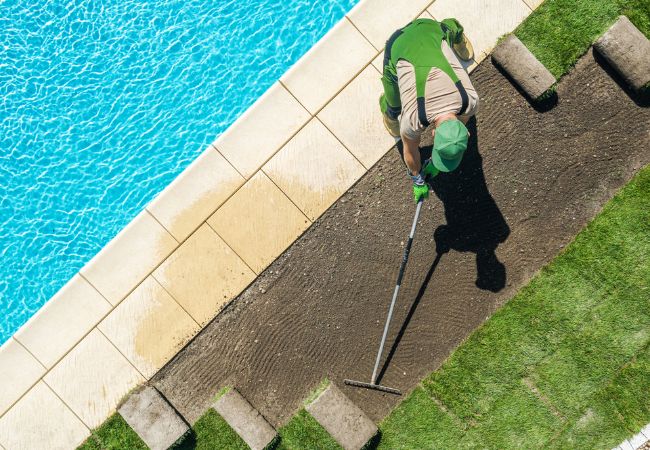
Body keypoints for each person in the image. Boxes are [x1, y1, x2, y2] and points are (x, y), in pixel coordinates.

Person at [380, 18, 479, 203]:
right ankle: (388, 112)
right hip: (400, 43)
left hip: (430, 30)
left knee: (445, 34)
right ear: (433, 134)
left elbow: (460, 123)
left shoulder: (470, 101)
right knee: (394, 107)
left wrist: (425, 169)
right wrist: (416, 178)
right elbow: (410, 150)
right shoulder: (413, 119)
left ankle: (455, 35)